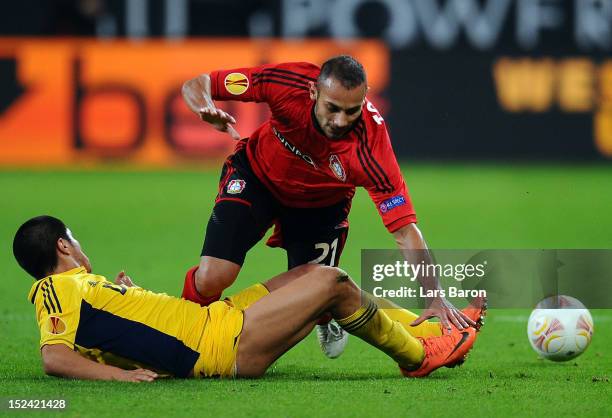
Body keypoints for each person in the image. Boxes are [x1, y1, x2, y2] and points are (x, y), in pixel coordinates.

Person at [180, 55, 476, 357]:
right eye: (332, 108)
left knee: (315, 297)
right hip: (258, 178)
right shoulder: (287, 83)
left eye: (352, 111)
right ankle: (181, 336)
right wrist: (204, 108)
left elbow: (404, 230)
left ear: (365, 97)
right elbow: (198, 83)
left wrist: (434, 296)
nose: (340, 121)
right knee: (213, 276)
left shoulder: (372, 148)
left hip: (320, 208)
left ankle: (325, 317)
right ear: (313, 92)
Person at [13, 216, 484, 381]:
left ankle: (427, 326)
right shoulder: (55, 287)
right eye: (73, 240)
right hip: (218, 345)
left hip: (216, 319)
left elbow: (103, 337)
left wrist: (130, 301)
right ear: (62, 246)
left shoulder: (82, 294)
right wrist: (120, 378)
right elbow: (55, 357)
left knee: (312, 272)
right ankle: (418, 355)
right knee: (333, 283)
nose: (79, 247)